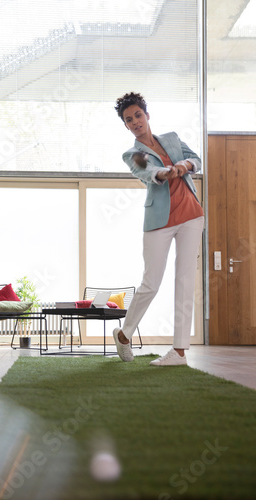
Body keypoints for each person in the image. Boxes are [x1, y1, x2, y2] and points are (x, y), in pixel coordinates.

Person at [112, 92, 204, 366]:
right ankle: (125, 335)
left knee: (185, 281)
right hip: (159, 221)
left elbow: (196, 160)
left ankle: (179, 352)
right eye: (129, 120)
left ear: (147, 115)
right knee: (151, 282)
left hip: (191, 215)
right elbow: (145, 172)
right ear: (126, 126)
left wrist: (184, 165)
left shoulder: (173, 139)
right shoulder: (132, 153)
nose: (135, 121)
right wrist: (164, 173)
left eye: (138, 115)